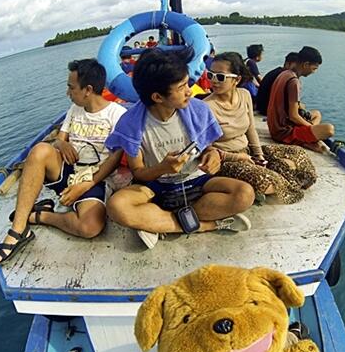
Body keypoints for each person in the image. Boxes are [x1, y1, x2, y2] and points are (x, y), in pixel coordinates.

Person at [105, 48, 255, 249]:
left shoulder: (198, 110)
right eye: (182, 86)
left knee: (245, 193)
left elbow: (208, 148)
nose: (189, 91)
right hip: (156, 186)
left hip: (196, 179)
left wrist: (212, 155)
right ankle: (206, 225)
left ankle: (159, 222)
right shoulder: (132, 124)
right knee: (117, 206)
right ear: (158, 97)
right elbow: (139, 173)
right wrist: (162, 169)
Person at [0, 59, 126, 264]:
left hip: (96, 178)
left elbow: (115, 159)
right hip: (71, 169)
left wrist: (86, 185)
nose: (67, 93)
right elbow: (59, 139)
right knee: (39, 151)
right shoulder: (74, 109)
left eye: (71, 87)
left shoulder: (116, 115)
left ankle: (41, 216)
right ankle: (18, 230)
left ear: (88, 89)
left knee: (90, 227)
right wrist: (60, 144)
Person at [204, 52, 314, 204]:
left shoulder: (244, 95)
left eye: (220, 77)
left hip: (247, 151)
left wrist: (259, 156)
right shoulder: (206, 107)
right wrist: (238, 158)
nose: (214, 81)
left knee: (297, 153)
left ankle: (275, 178)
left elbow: (250, 129)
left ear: (237, 79)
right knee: (267, 180)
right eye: (210, 75)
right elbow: (206, 149)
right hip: (226, 161)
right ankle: (271, 181)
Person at [267, 46, 335, 154]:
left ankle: (309, 138)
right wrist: (313, 127)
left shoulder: (285, 73)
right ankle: (306, 140)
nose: (314, 72)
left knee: (316, 114)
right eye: (314, 68)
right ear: (306, 64)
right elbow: (294, 116)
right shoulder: (293, 82)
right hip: (283, 132)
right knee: (329, 129)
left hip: (275, 126)